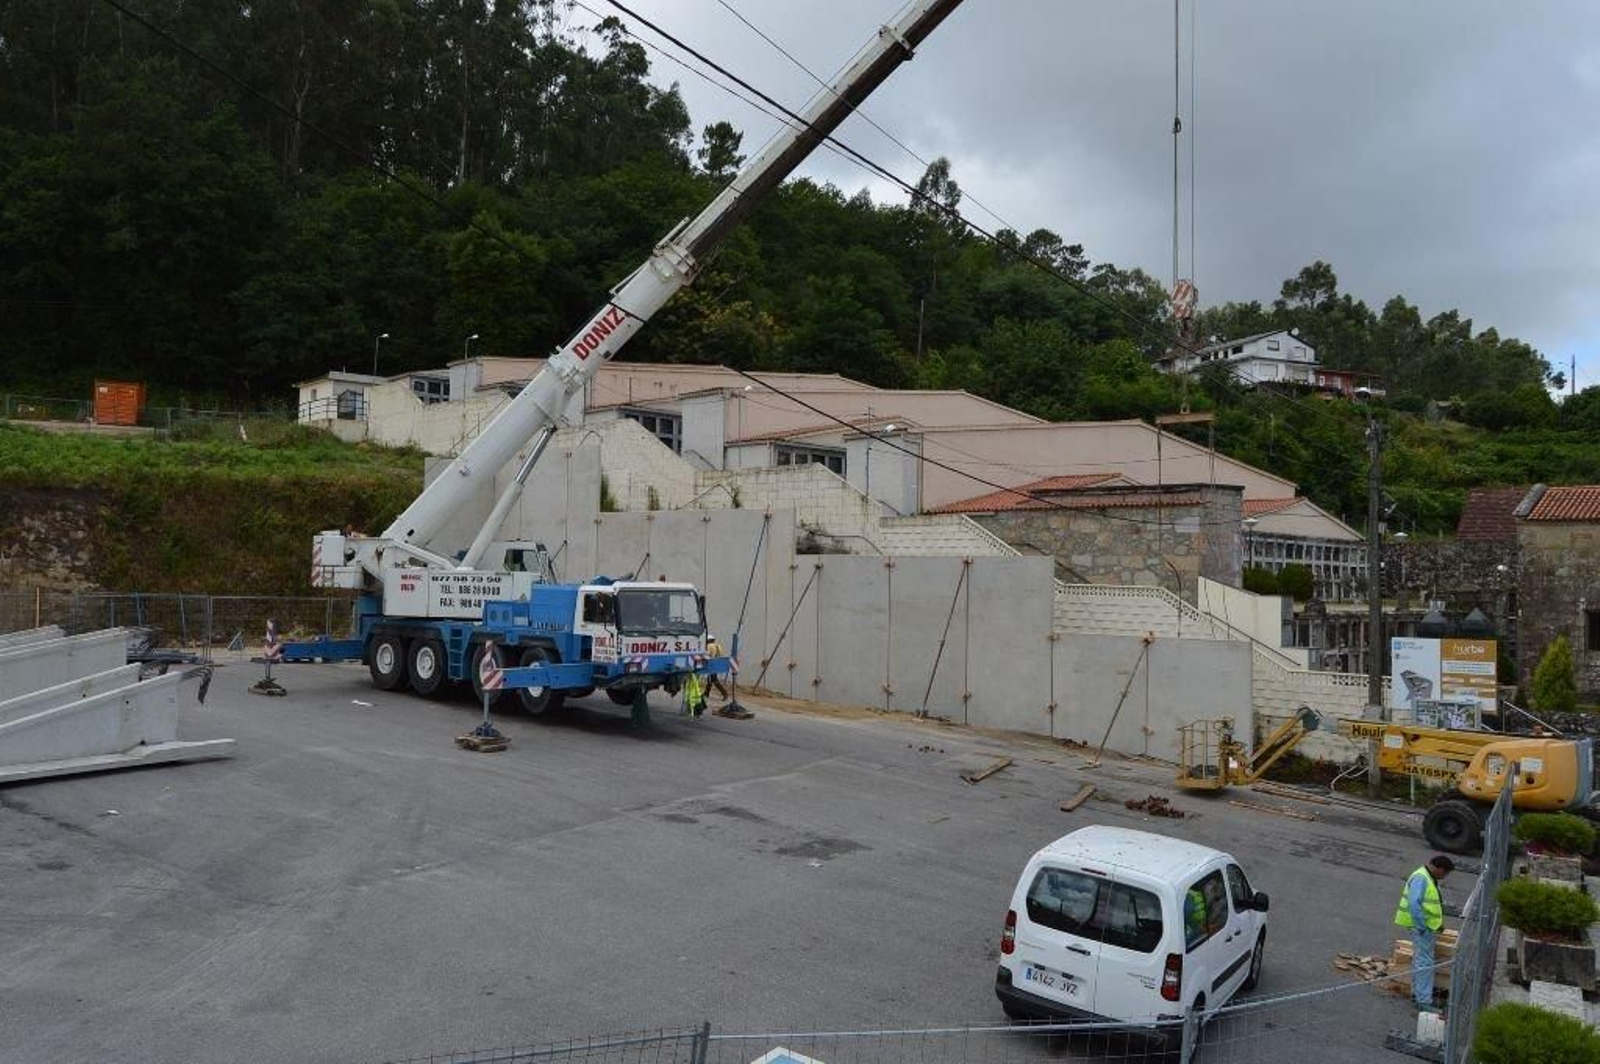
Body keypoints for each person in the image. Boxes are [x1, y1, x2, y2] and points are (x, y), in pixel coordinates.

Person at [1394, 855, 1454, 1011]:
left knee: (1420, 960)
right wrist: (1422, 927)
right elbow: (1414, 904)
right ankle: (1424, 1001)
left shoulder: (1426, 876)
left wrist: (1437, 924)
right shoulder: (1422, 878)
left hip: (1425, 927)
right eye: (1445, 873)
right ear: (1439, 869)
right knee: (1425, 963)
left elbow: (1428, 905)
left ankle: (1418, 995)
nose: (1444, 877)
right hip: (1421, 928)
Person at [704, 633, 731, 703]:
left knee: (714, 679)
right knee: (710, 679)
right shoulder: (718, 646)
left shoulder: (708, 646)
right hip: (716, 663)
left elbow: (707, 655)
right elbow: (721, 655)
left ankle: (724, 693)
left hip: (710, 663)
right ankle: (706, 693)